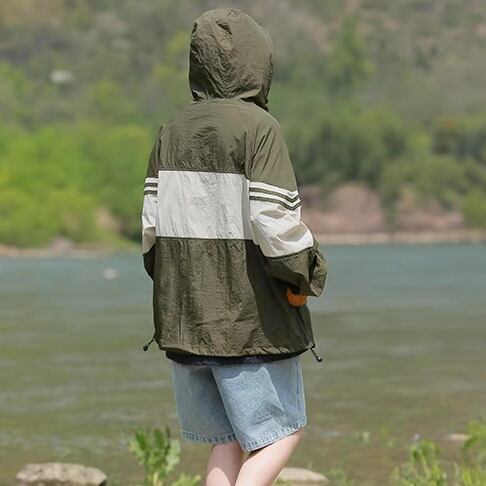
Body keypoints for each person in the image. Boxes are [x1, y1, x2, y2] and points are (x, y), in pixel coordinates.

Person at [140, 8, 328, 486]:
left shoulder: (171, 129)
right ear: (259, 64)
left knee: (226, 442)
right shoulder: (259, 128)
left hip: (185, 320)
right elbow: (274, 223)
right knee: (281, 434)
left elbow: (152, 230)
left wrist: (176, 292)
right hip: (250, 324)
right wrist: (307, 275)